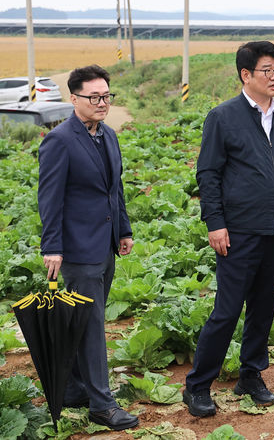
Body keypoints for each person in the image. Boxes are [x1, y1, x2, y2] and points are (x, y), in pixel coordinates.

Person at [183, 41, 274, 417]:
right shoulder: (223, 117)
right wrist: (216, 223)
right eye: (267, 70)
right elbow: (208, 174)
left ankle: (251, 374)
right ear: (245, 75)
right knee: (226, 310)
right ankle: (197, 386)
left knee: (263, 307)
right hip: (237, 231)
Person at [37, 65, 138, 431]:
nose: (102, 102)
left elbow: (116, 189)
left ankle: (76, 389)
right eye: (94, 97)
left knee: (84, 323)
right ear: (74, 98)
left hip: (106, 244)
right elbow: (49, 199)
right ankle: (102, 405)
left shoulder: (108, 135)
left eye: (106, 95)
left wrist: (123, 229)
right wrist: (52, 247)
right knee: (93, 325)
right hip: (77, 250)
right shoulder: (59, 140)